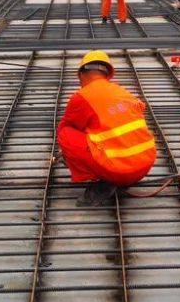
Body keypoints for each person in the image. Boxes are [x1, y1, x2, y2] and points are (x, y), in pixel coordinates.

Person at [57, 51, 157, 206]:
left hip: (119, 172)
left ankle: (102, 180)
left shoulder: (81, 97)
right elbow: (138, 108)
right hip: (145, 165)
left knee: (65, 133)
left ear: (81, 74)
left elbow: (67, 126)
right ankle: (112, 172)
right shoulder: (123, 92)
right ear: (108, 74)